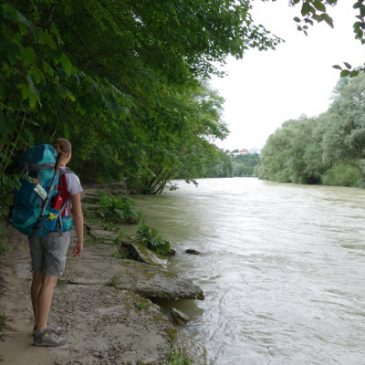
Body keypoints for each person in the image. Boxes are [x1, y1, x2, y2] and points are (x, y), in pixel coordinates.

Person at [29, 138, 84, 347]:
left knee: (38, 278)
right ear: (68, 154)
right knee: (50, 282)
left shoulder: (39, 174)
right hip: (57, 232)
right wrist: (80, 239)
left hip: (35, 230)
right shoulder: (71, 178)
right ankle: (42, 332)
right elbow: (77, 214)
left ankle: (38, 325)